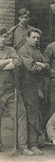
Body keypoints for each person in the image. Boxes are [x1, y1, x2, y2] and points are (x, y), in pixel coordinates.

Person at [18, 28, 55, 155]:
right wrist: (41, 65)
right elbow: (31, 67)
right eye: (34, 37)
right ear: (27, 38)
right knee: (32, 115)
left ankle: (35, 142)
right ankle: (32, 145)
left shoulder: (36, 50)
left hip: (39, 87)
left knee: (39, 114)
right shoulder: (23, 50)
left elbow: (46, 65)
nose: (36, 40)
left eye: (38, 38)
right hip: (28, 88)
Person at [0, 27, 34, 156]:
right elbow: (12, 63)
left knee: (21, 115)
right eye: (1, 37)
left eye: (4, 37)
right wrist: (9, 61)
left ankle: (23, 146)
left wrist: (3, 64)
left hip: (11, 91)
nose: (3, 40)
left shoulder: (11, 50)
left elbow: (18, 62)